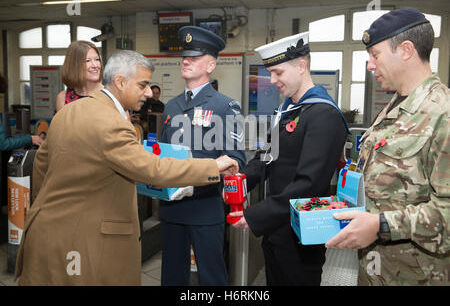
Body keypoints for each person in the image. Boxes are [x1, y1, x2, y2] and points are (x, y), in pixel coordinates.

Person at [13, 50, 239, 286]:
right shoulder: (112, 123)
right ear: (120, 82)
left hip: (45, 234)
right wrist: (214, 165)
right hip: (85, 247)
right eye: (143, 85)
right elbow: (153, 169)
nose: (149, 93)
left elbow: (41, 165)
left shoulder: (68, 111)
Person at [325, 8, 450, 286]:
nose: (370, 65)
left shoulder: (443, 113)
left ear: (405, 50)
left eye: (375, 55)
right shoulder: (395, 106)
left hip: (416, 276)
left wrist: (381, 225)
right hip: (375, 270)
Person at [230, 32, 348, 285]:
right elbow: (266, 156)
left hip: (300, 234)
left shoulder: (323, 115)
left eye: (278, 72)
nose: (272, 80)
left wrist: (255, 215)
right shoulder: (289, 111)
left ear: (301, 66)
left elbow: (310, 183)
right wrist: (239, 182)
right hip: (276, 229)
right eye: (270, 73)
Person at [159, 26, 246, 286]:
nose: (186, 61)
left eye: (194, 57)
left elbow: (235, 159)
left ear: (210, 65)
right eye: (184, 56)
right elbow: (161, 153)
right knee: (172, 276)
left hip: (205, 208)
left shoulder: (225, 106)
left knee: (212, 276)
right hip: (171, 206)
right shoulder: (171, 106)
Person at [55, 40, 103, 112]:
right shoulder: (62, 98)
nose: (95, 65)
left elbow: (124, 123)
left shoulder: (112, 95)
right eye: (87, 61)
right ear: (74, 65)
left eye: (97, 59)